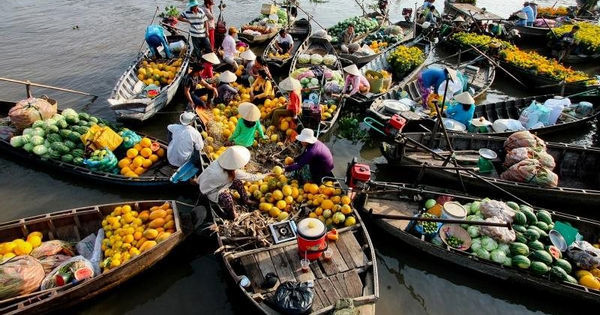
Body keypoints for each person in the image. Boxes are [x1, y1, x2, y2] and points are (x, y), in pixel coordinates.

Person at [197, 146, 267, 219]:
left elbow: (205, 173)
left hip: (208, 184)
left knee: (237, 182)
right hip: (211, 191)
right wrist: (266, 175)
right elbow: (252, 178)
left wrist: (198, 181)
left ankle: (246, 200)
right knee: (227, 197)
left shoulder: (217, 162)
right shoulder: (234, 173)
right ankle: (232, 214)